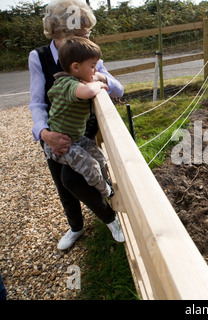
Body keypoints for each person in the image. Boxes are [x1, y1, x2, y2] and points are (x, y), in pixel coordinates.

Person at [28, 0, 124, 250]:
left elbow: (118, 88)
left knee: (73, 177)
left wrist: (99, 76)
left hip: (83, 129)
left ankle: (109, 216)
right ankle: (76, 227)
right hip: (54, 130)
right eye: (82, 33)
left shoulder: (83, 52)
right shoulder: (39, 57)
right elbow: (37, 102)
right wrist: (44, 133)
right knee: (62, 183)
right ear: (61, 33)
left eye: (87, 33)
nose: (87, 38)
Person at [44, 37, 114, 199]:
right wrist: (98, 84)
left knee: (99, 156)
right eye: (92, 66)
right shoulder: (68, 83)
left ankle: (105, 181)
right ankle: (106, 192)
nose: (96, 71)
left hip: (75, 138)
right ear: (75, 67)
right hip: (62, 144)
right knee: (90, 165)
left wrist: (93, 79)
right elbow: (88, 92)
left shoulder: (75, 80)